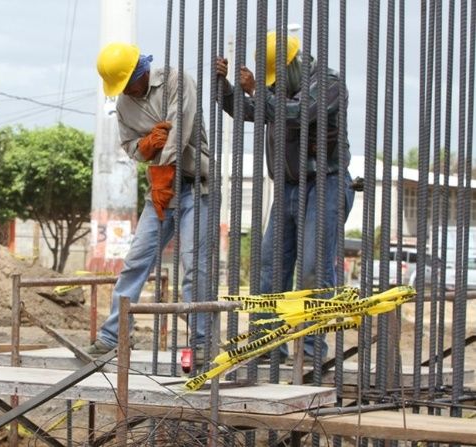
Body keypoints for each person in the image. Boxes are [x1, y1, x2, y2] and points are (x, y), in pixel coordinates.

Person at [216, 31, 355, 363]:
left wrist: (257, 90)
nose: (274, 84)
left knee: (312, 268)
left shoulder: (329, 83)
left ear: (294, 63)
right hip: (288, 188)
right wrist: (225, 88)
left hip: (327, 185)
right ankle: (267, 345)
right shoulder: (278, 88)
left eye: (277, 78)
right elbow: (247, 109)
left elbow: (299, 113)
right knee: (269, 267)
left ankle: (310, 352)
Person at [86, 42, 210, 363]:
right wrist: (145, 144)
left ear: (140, 71)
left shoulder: (177, 82)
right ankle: (113, 336)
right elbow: (129, 147)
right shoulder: (124, 105)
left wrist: (163, 165)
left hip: (195, 186)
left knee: (193, 266)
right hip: (158, 190)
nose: (124, 90)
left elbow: (178, 133)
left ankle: (201, 342)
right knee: (135, 262)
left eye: (126, 83)